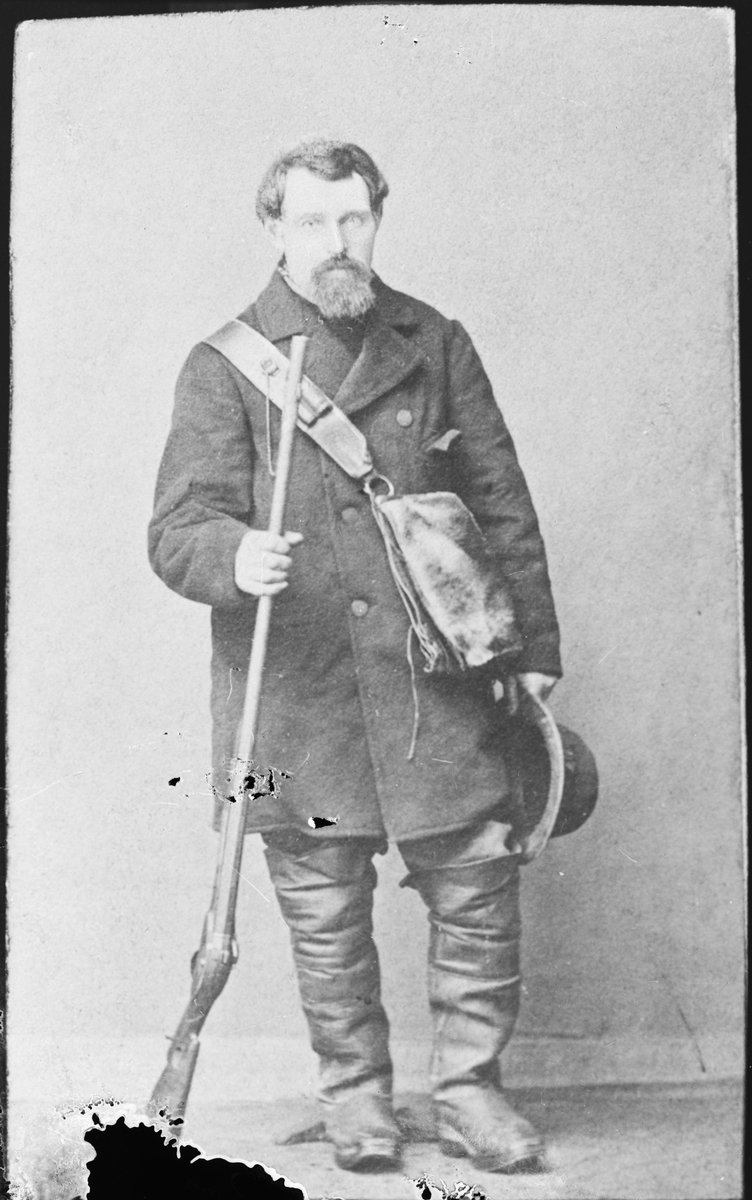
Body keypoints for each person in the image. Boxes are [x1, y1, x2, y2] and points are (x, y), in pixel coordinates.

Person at [148, 139, 561, 1174]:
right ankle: (356, 1099)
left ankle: (470, 1093)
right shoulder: (224, 365)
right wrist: (232, 555)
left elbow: (501, 499)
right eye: (311, 222)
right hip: (299, 687)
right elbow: (177, 528)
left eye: (354, 219)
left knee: (475, 883)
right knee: (323, 904)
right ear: (274, 229)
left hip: (435, 670)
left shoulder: (434, 341)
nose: (336, 242)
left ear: (375, 219)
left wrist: (535, 646)